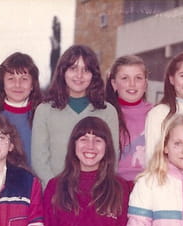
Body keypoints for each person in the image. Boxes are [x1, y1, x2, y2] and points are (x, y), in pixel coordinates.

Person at [31, 45, 119, 185]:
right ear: (63, 72)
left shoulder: (108, 111)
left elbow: (112, 157)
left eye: (86, 70)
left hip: (96, 192)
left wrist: (97, 189)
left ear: (94, 75)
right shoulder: (44, 111)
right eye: (73, 68)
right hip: (55, 192)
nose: (79, 75)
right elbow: (39, 160)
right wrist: (55, 189)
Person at [0, 52, 42, 166]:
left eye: (24, 79)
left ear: (33, 84)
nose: (17, 85)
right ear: (2, 83)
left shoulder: (42, 113)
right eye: (11, 79)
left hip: (35, 176)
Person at [105, 54, 153, 181]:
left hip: (149, 184)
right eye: (125, 78)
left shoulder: (157, 113)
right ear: (114, 83)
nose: (132, 84)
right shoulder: (105, 114)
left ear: (145, 83)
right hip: (114, 185)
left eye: (138, 78)